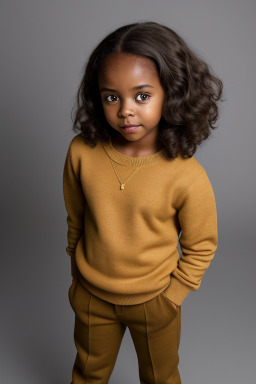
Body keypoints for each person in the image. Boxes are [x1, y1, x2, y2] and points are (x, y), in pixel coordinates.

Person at [63, 21, 224, 384]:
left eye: (142, 96)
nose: (125, 111)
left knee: (160, 378)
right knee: (87, 373)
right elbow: (76, 217)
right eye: (111, 97)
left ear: (173, 93)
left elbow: (201, 245)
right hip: (92, 295)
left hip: (155, 301)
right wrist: (76, 272)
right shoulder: (81, 153)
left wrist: (173, 295)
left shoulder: (186, 174)